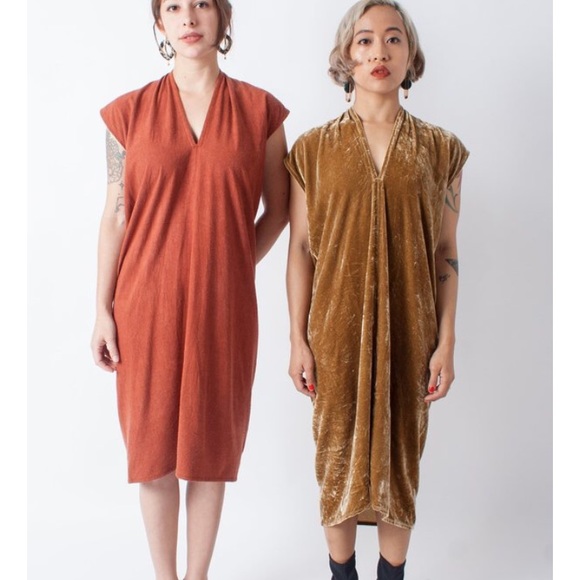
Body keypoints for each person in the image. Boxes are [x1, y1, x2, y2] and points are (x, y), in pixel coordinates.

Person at [90, 1, 289, 578]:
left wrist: (232, 265)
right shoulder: (128, 113)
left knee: (209, 450)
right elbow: (116, 216)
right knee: (151, 452)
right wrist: (101, 309)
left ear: (222, 17)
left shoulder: (261, 112)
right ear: (159, 24)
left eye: (201, 3)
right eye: (173, 7)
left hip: (223, 308)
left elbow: (279, 210)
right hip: (142, 302)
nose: (188, 17)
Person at [285, 1, 469, 578]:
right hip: (333, 335)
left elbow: (446, 251)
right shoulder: (312, 149)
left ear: (411, 55)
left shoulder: (441, 150)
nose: (379, 52)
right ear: (347, 55)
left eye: (393, 39)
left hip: (412, 335)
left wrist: (446, 341)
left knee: (400, 468)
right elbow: (300, 248)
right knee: (336, 465)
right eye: (364, 40)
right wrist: (297, 339)